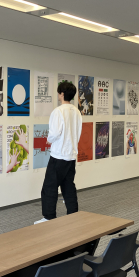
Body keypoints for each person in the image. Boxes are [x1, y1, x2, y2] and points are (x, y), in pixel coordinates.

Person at [35, 82, 82, 224]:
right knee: (68, 186)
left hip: (58, 155)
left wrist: (48, 140)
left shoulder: (58, 111)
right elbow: (78, 132)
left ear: (61, 94)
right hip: (71, 155)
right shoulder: (77, 111)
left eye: (58, 92)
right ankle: (73, 214)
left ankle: (48, 217)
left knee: (49, 187)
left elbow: (54, 133)